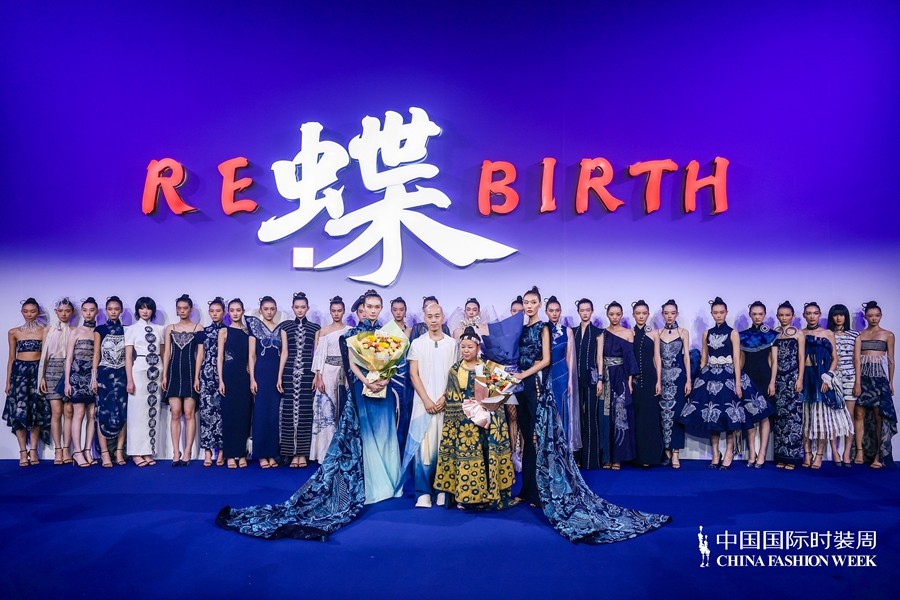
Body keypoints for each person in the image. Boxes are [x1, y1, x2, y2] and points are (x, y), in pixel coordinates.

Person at [679, 297, 770, 470]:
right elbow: (704, 359)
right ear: (711, 313)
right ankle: (715, 454)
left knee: (730, 416)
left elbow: (736, 359)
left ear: (726, 313)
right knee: (712, 415)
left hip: (729, 375)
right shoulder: (707, 333)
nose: (719, 315)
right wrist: (698, 381)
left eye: (721, 312)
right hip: (710, 376)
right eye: (715, 313)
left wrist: (738, 383)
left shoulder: (733, 333)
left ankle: (729, 453)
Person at [434, 326, 512, 509]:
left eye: (470, 347)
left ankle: (489, 496)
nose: (466, 350)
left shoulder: (489, 367)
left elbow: (500, 396)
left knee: (486, 455)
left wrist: (490, 412)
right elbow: (452, 398)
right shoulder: (455, 370)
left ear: (478, 348)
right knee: (467, 459)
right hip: (465, 427)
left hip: (486, 423)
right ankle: (466, 498)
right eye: (463, 347)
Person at [404, 302, 458, 507]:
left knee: (445, 445)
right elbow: (413, 374)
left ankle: (443, 489)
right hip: (422, 402)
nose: (434, 320)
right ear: (424, 319)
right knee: (423, 447)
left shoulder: (452, 344)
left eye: (437, 316)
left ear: (443, 317)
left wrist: (445, 397)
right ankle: (423, 492)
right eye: (430, 316)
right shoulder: (417, 343)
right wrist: (426, 399)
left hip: (446, 402)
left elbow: (455, 374)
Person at [510, 286, 551, 504]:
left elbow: (546, 359)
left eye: (533, 302)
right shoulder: (521, 329)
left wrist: (524, 374)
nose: (529, 306)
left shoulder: (543, 327)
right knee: (526, 438)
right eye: (526, 302)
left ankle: (538, 492)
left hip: (535, 384)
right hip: (519, 387)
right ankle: (525, 490)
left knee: (536, 438)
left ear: (540, 304)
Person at [800, 302, 852, 469]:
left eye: (815, 313)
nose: (812, 316)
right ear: (804, 315)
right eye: (809, 313)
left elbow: (835, 358)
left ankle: (819, 455)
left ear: (819, 314)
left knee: (821, 418)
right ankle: (807, 453)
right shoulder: (800, 333)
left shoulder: (827, 333)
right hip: (805, 377)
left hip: (821, 377)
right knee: (804, 417)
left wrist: (828, 377)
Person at [277, 292, 320, 468]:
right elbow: (284, 352)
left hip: (308, 373)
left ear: (307, 308)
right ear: (292, 308)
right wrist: (279, 376)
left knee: (305, 412)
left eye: (303, 307)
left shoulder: (315, 328)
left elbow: (316, 354)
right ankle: (291, 453)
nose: (300, 310)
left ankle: (302, 453)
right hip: (289, 373)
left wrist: (317, 375)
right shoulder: (285, 327)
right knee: (288, 412)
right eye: (297, 307)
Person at [4, 297, 48, 466]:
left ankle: (34, 450)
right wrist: (8, 382)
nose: (29, 314)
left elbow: (45, 357)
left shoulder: (44, 331)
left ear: (38, 312)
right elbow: (11, 358)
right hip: (19, 374)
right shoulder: (14, 332)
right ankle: (22, 451)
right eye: (26, 311)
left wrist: (42, 377)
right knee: (19, 413)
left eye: (33, 311)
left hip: (36, 372)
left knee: (36, 411)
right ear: (22, 312)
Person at [853, 300, 896, 468]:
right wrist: (857, 382)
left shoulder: (888, 335)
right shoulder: (859, 335)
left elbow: (891, 360)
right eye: (870, 316)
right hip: (863, 377)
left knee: (880, 417)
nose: (874, 318)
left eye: (877, 315)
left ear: (881, 316)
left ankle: (879, 455)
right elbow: (856, 360)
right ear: (865, 317)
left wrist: (891, 382)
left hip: (879, 378)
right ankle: (860, 452)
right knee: (859, 414)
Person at [595, 301, 638, 469]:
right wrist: (600, 379)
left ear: (622, 315)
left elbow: (630, 359)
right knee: (605, 416)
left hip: (620, 377)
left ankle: (618, 458)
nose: (615, 317)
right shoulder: (602, 334)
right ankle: (606, 456)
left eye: (618, 314)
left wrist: (629, 382)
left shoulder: (628, 333)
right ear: (607, 315)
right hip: (606, 377)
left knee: (620, 416)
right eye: (612, 314)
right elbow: (599, 358)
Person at [161, 294, 202, 466]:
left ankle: (187, 451)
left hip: (191, 373)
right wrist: (164, 375)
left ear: (190, 309)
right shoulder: (170, 328)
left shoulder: (198, 328)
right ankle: (175, 451)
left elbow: (200, 354)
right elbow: (167, 353)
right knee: (175, 413)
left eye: (185, 308)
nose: (182, 311)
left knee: (189, 413)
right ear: (176, 310)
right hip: (173, 373)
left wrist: (197, 376)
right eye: (179, 308)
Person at [125, 296, 165, 467]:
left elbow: (163, 353)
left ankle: (148, 451)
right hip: (139, 371)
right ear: (137, 310)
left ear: (152, 310)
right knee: (136, 414)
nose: (145, 311)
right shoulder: (131, 329)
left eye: (148, 308)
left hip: (156, 372)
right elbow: (128, 357)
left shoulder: (160, 329)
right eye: (142, 308)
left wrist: (164, 375)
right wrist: (129, 380)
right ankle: (135, 452)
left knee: (152, 412)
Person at [310, 296, 349, 462]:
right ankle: (325, 454)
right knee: (326, 412)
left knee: (343, 412)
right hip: (327, 372)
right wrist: (318, 376)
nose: (336, 314)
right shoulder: (324, 331)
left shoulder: (349, 330)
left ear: (344, 311)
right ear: (330, 312)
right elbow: (319, 355)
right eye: (334, 311)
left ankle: (341, 452)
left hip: (344, 373)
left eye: (339, 311)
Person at [247, 296, 283, 469]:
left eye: (272, 309)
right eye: (266, 309)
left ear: (276, 310)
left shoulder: (281, 328)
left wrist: (280, 377)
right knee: (260, 414)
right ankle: (261, 454)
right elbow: (251, 355)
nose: (269, 312)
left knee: (274, 415)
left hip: (276, 376)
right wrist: (252, 379)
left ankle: (272, 453)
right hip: (260, 375)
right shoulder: (254, 327)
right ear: (260, 310)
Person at [739, 301, 777, 468]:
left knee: (764, 416)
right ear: (750, 315)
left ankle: (762, 454)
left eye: (760, 314)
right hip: (747, 378)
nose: (757, 317)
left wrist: (772, 382)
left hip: (765, 377)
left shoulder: (772, 335)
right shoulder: (742, 335)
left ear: (765, 315)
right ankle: (752, 453)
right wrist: (738, 380)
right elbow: (740, 361)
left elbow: (774, 362)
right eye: (754, 314)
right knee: (749, 416)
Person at [770, 301, 805, 469]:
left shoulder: (799, 334)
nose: (784, 318)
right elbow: (773, 360)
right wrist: (772, 381)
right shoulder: (773, 334)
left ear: (793, 316)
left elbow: (801, 358)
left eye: (787, 315)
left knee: (794, 417)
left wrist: (800, 379)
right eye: (781, 315)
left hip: (793, 378)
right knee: (780, 418)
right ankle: (781, 456)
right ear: (777, 316)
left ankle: (793, 458)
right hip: (779, 380)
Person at [39, 298, 75, 465]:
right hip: (52, 370)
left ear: (72, 312)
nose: (63, 314)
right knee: (56, 411)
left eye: (67, 311)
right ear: (56, 312)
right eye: (60, 311)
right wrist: (42, 376)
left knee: (68, 411)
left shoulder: (74, 330)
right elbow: (43, 356)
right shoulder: (48, 330)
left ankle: (67, 449)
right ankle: (58, 450)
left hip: (69, 370)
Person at [93, 296, 127, 468]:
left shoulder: (127, 330)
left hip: (122, 374)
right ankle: (104, 452)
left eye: (116, 309)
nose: (113, 312)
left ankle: (119, 450)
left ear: (121, 311)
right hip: (104, 374)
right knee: (103, 412)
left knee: (123, 411)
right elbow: (96, 354)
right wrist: (93, 377)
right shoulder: (100, 329)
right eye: (110, 309)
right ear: (106, 310)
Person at [218, 299, 252, 469]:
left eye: (238, 310)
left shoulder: (248, 332)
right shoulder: (224, 331)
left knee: (244, 416)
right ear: (228, 312)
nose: (235, 313)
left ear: (243, 311)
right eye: (232, 310)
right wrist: (221, 380)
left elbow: (252, 356)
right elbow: (220, 358)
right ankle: (230, 454)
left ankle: (242, 454)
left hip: (244, 377)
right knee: (229, 416)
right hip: (229, 376)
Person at [65, 298, 99, 467]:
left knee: (92, 414)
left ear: (96, 312)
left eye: (91, 310)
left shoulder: (99, 331)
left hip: (94, 377)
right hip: (77, 376)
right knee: (78, 414)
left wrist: (95, 377)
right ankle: (77, 452)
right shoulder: (76, 331)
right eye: (85, 310)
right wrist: (67, 382)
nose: (88, 313)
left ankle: (87, 450)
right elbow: (69, 358)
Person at [658, 299, 689, 469]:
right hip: (662, 378)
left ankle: (676, 452)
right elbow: (656, 359)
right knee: (663, 414)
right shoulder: (658, 332)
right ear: (662, 314)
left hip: (679, 377)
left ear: (677, 314)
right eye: (666, 313)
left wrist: (689, 380)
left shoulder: (683, 332)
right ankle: (666, 451)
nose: (669, 316)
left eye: (672, 313)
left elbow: (686, 358)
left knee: (677, 414)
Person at [545, 296, 580, 450]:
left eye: (557, 310)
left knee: (562, 410)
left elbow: (570, 357)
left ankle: (563, 448)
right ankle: (549, 448)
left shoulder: (567, 331)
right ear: (546, 312)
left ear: (560, 312)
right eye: (551, 311)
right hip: (546, 374)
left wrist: (571, 380)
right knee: (547, 410)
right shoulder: (542, 330)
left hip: (562, 375)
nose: (554, 313)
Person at [631, 300, 663, 467]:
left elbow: (657, 358)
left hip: (651, 379)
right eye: (638, 313)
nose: (641, 316)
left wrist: (659, 380)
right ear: (633, 315)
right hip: (635, 381)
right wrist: (629, 380)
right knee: (636, 418)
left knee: (650, 418)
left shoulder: (654, 333)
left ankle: (651, 457)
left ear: (648, 314)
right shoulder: (629, 333)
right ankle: (636, 457)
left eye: (644, 313)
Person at [573, 298, 604, 469]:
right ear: (578, 312)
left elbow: (599, 358)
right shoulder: (573, 332)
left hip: (592, 378)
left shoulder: (598, 332)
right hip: (574, 379)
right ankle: (576, 458)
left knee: (591, 417)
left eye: (587, 310)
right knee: (576, 418)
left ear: (592, 311)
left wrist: (600, 379)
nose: (585, 313)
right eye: (582, 310)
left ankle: (592, 460)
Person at [196, 297, 226, 467]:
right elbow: (200, 355)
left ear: (224, 312)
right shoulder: (203, 331)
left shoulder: (229, 331)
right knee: (206, 412)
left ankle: (221, 451)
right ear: (209, 312)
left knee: (222, 413)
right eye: (212, 311)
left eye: (218, 311)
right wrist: (196, 376)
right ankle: (207, 452)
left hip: (224, 373)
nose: (215, 314)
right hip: (206, 374)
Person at [828, 304, 859, 466]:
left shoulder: (854, 335)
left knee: (849, 416)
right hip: (833, 378)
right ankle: (835, 452)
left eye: (842, 315)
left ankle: (846, 452)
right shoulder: (827, 334)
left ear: (846, 317)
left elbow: (857, 360)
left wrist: (858, 382)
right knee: (833, 416)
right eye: (835, 315)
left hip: (850, 377)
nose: (839, 318)